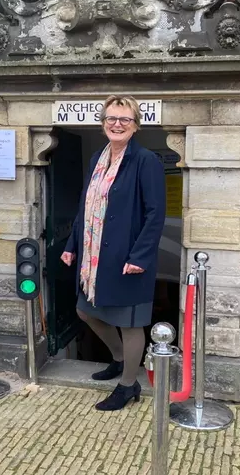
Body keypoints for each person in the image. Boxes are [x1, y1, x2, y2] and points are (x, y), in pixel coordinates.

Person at [61, 94, 166, 411]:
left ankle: (128, 386)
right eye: (111, 118)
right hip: (95, 256)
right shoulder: (97, 158)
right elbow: (86, 205)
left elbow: (155, 214)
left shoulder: (146, 161)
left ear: (135, 126)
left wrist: (140, 257)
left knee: (130, 322)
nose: (117, 124)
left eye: (124, 119)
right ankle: (120, 360)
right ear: (103, 122)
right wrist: (71, 245)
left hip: (127, 257)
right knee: (85, 311)